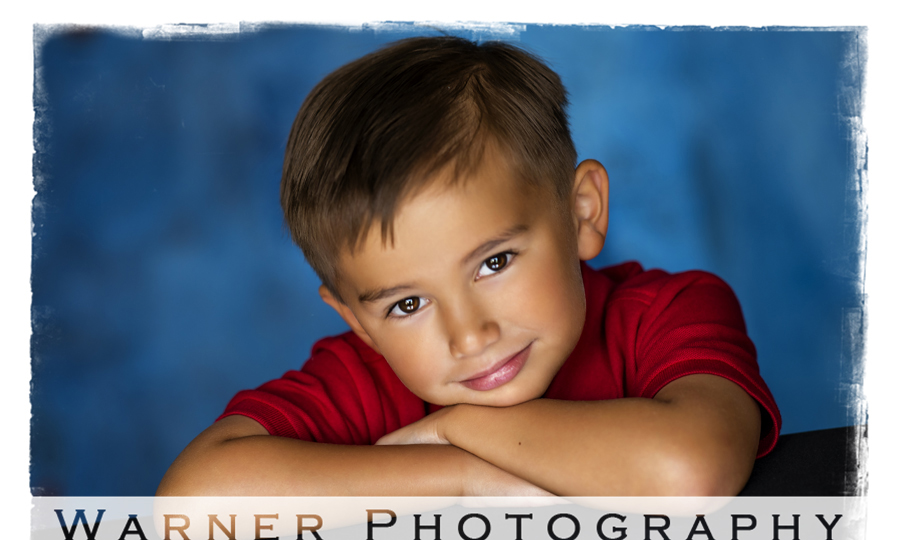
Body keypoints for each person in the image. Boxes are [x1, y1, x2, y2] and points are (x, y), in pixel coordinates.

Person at [157, 36, 780, 498]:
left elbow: (689, 470)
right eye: (406, 305)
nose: (469, 335)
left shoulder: (668, 313)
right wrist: (458, 475)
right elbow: (192, 504)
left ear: (582, 212)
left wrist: (456, 426)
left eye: (495, 262)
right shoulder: (366, 377)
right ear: (357, 320)